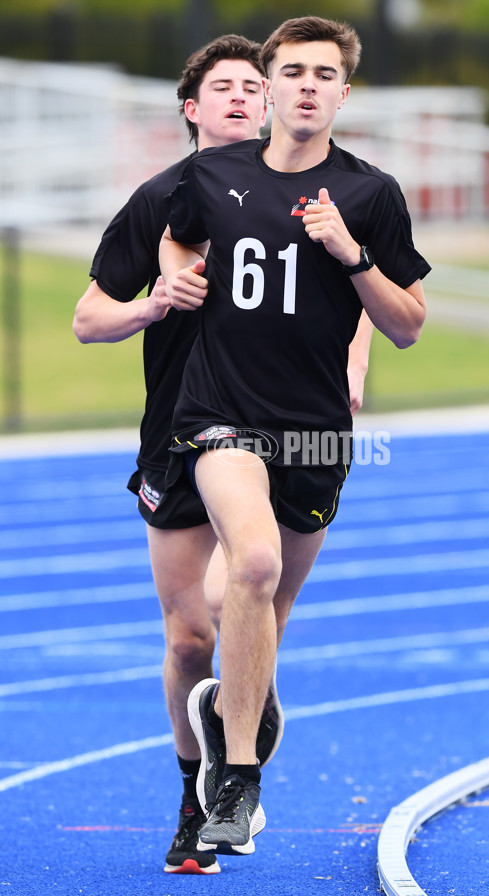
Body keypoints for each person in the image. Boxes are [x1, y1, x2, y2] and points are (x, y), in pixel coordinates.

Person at [159, 15, 431, 858]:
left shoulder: (371, 193)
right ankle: (236, 783)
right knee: (253, 562)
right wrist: (172, 272)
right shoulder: (210, 176)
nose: (307, 84)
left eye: (325, 73)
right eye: (292, 71)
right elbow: (173, 236)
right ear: (267, 85)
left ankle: (238, 700)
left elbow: (410, 325)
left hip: (313, 436)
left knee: (266, 608)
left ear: (343, 94)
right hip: (219, 417)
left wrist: (353, 257)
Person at [72, 35, 272, 876]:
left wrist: (352, 368)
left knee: (243, 584)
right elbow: (88, 319)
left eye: (253, 87)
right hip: (174, 431)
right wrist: (153, 303)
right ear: (191, 108)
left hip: (269, 427)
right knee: (190, 635)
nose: (241, 98)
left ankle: (244, 735)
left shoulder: (307, 193)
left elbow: (358, 293)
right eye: (222, 87)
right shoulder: (157, 201)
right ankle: (197, 795)